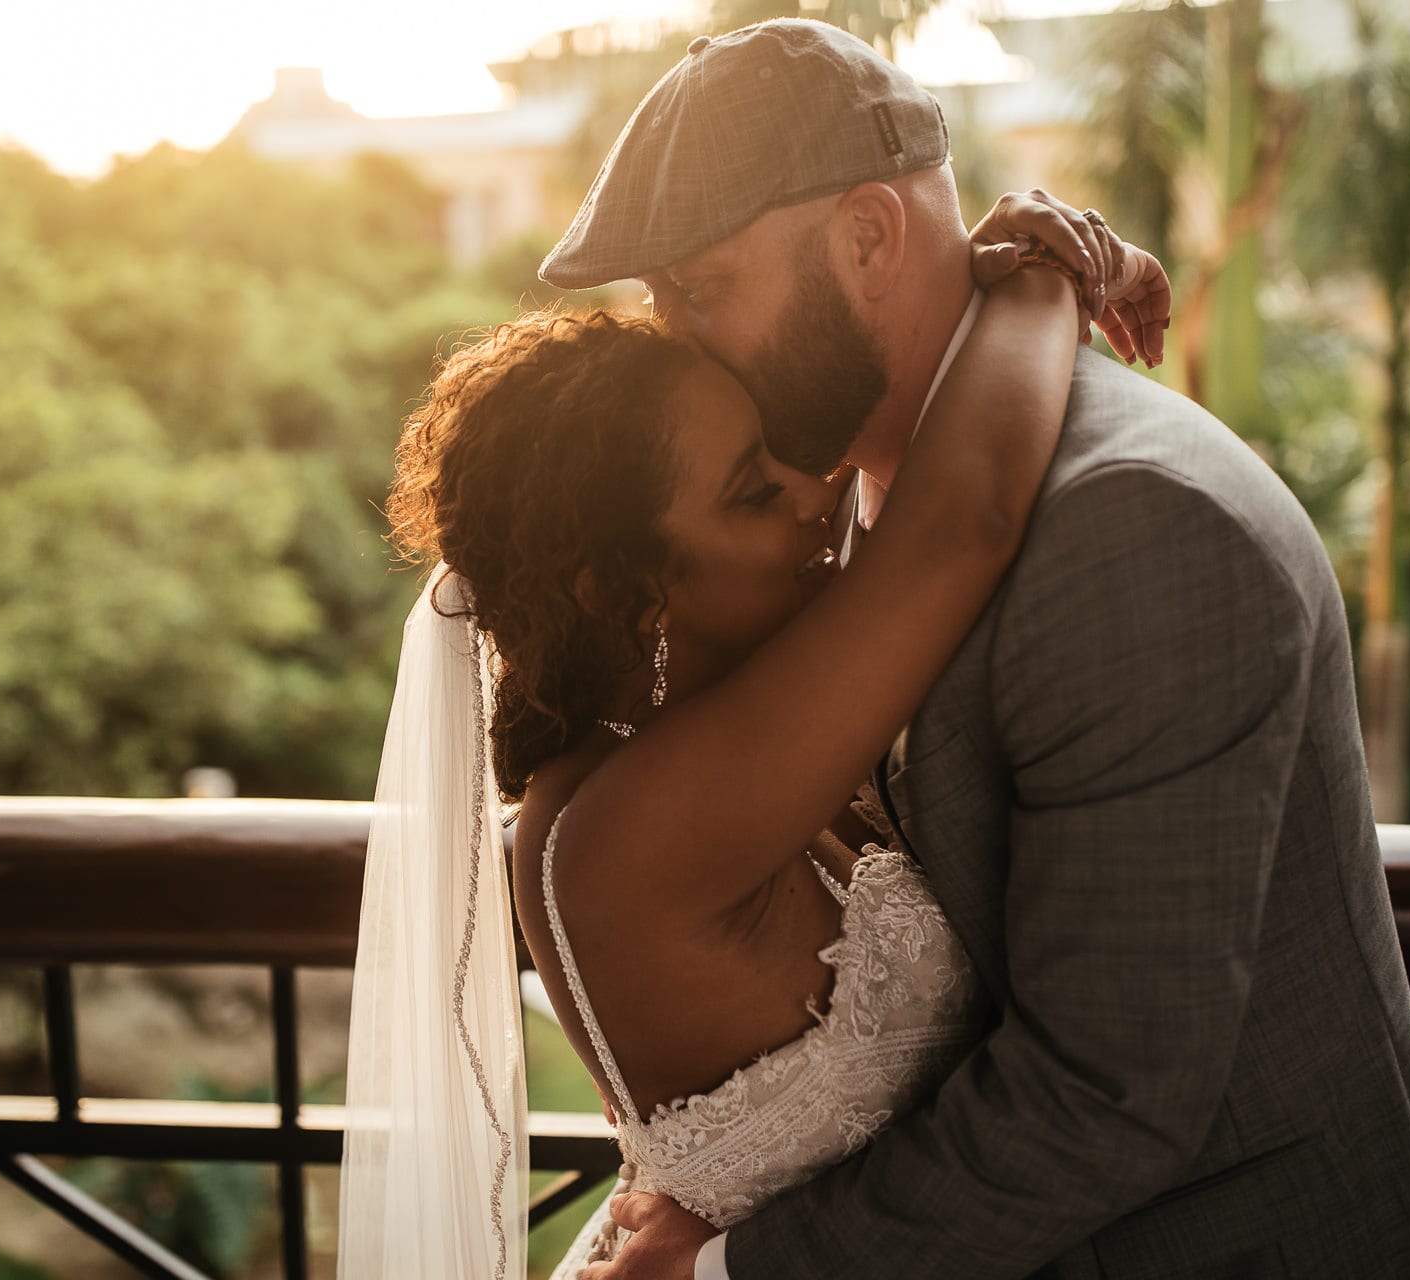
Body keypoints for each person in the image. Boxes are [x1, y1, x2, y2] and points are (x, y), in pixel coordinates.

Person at [532, 18, 1410, 1280]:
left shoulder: (1136, 528)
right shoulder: (848, 512)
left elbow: (1109, 1093)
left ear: (868, 238)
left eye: (701, 286)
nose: (675, 340)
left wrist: (734, 1265)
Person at [334, 166, 1164, 1278]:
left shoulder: (712, 724)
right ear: (621, 590)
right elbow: (959, 523)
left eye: (779, 454)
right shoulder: (624, 832)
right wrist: (1043, 271)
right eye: (751, 493)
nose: (814, 493)